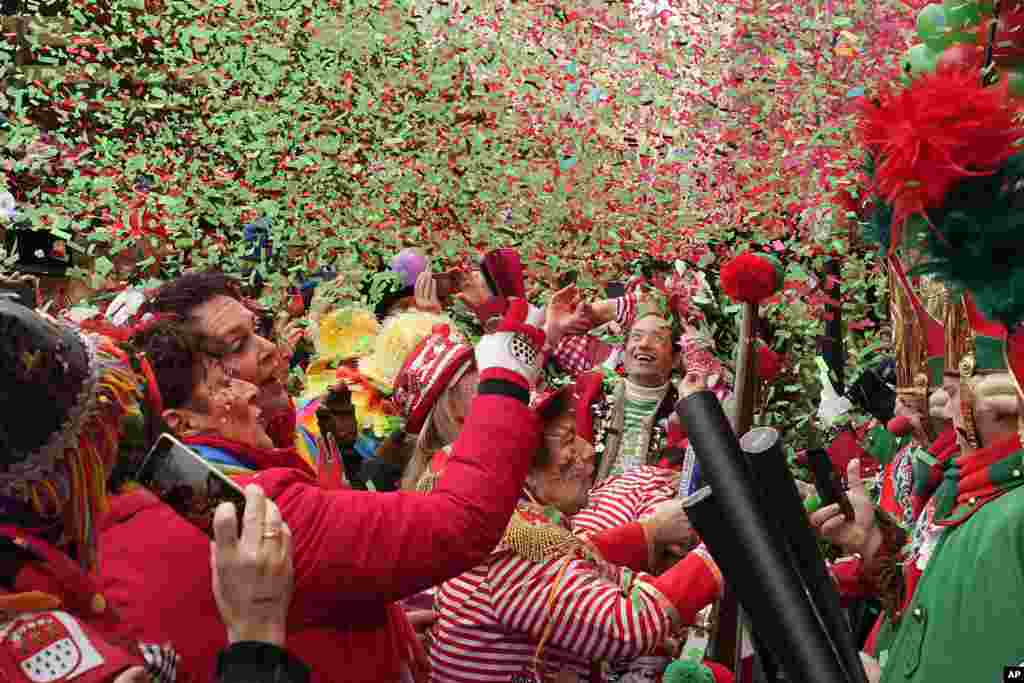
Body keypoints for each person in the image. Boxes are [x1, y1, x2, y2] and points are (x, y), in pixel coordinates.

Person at [97, 298, 551, 683]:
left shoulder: (138, 508)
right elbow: (459, 521)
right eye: (222, 383)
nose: (249, 389)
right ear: (180, 422)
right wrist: (506, 378)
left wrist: (371, 629)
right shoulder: (255, 508)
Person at [428, 379, 729, 683]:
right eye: (569, 440)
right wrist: (724, 544)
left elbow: (588, 562)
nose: (587, 451)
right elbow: (627, 628)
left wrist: (653, 548)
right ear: (525, 470)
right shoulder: (512, 550)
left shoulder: (512, 524)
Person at [812, 301, 1024, 683]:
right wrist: (872, 542)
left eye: (956, 390)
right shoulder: (960, 492)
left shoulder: (1014, 510)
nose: (943, 408)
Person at [142, 272, 302, 451]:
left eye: (256, 328)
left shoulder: (291, 426)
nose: (270, 348)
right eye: (237, 345)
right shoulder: (221, 475)